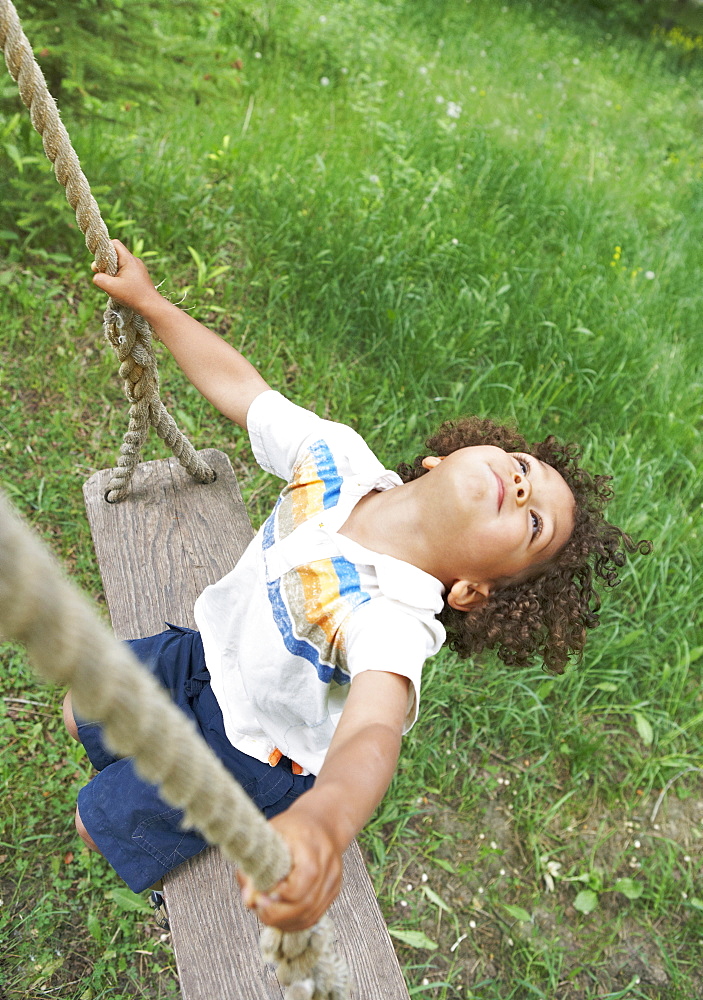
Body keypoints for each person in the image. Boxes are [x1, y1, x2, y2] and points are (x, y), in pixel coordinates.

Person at [63, 239, 647, 933]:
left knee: (92, 824)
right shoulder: (335, 458)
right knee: (79, 707)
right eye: (522, 468)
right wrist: (153, 305)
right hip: (212, 655)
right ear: (442, 456)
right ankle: (141, 764)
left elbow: (372, 731)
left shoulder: (395, 618)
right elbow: (245, 393)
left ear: (472, 592)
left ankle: (193, 830)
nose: (521, 487)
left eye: (532, 525)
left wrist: (324, 820)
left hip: (250, 752)